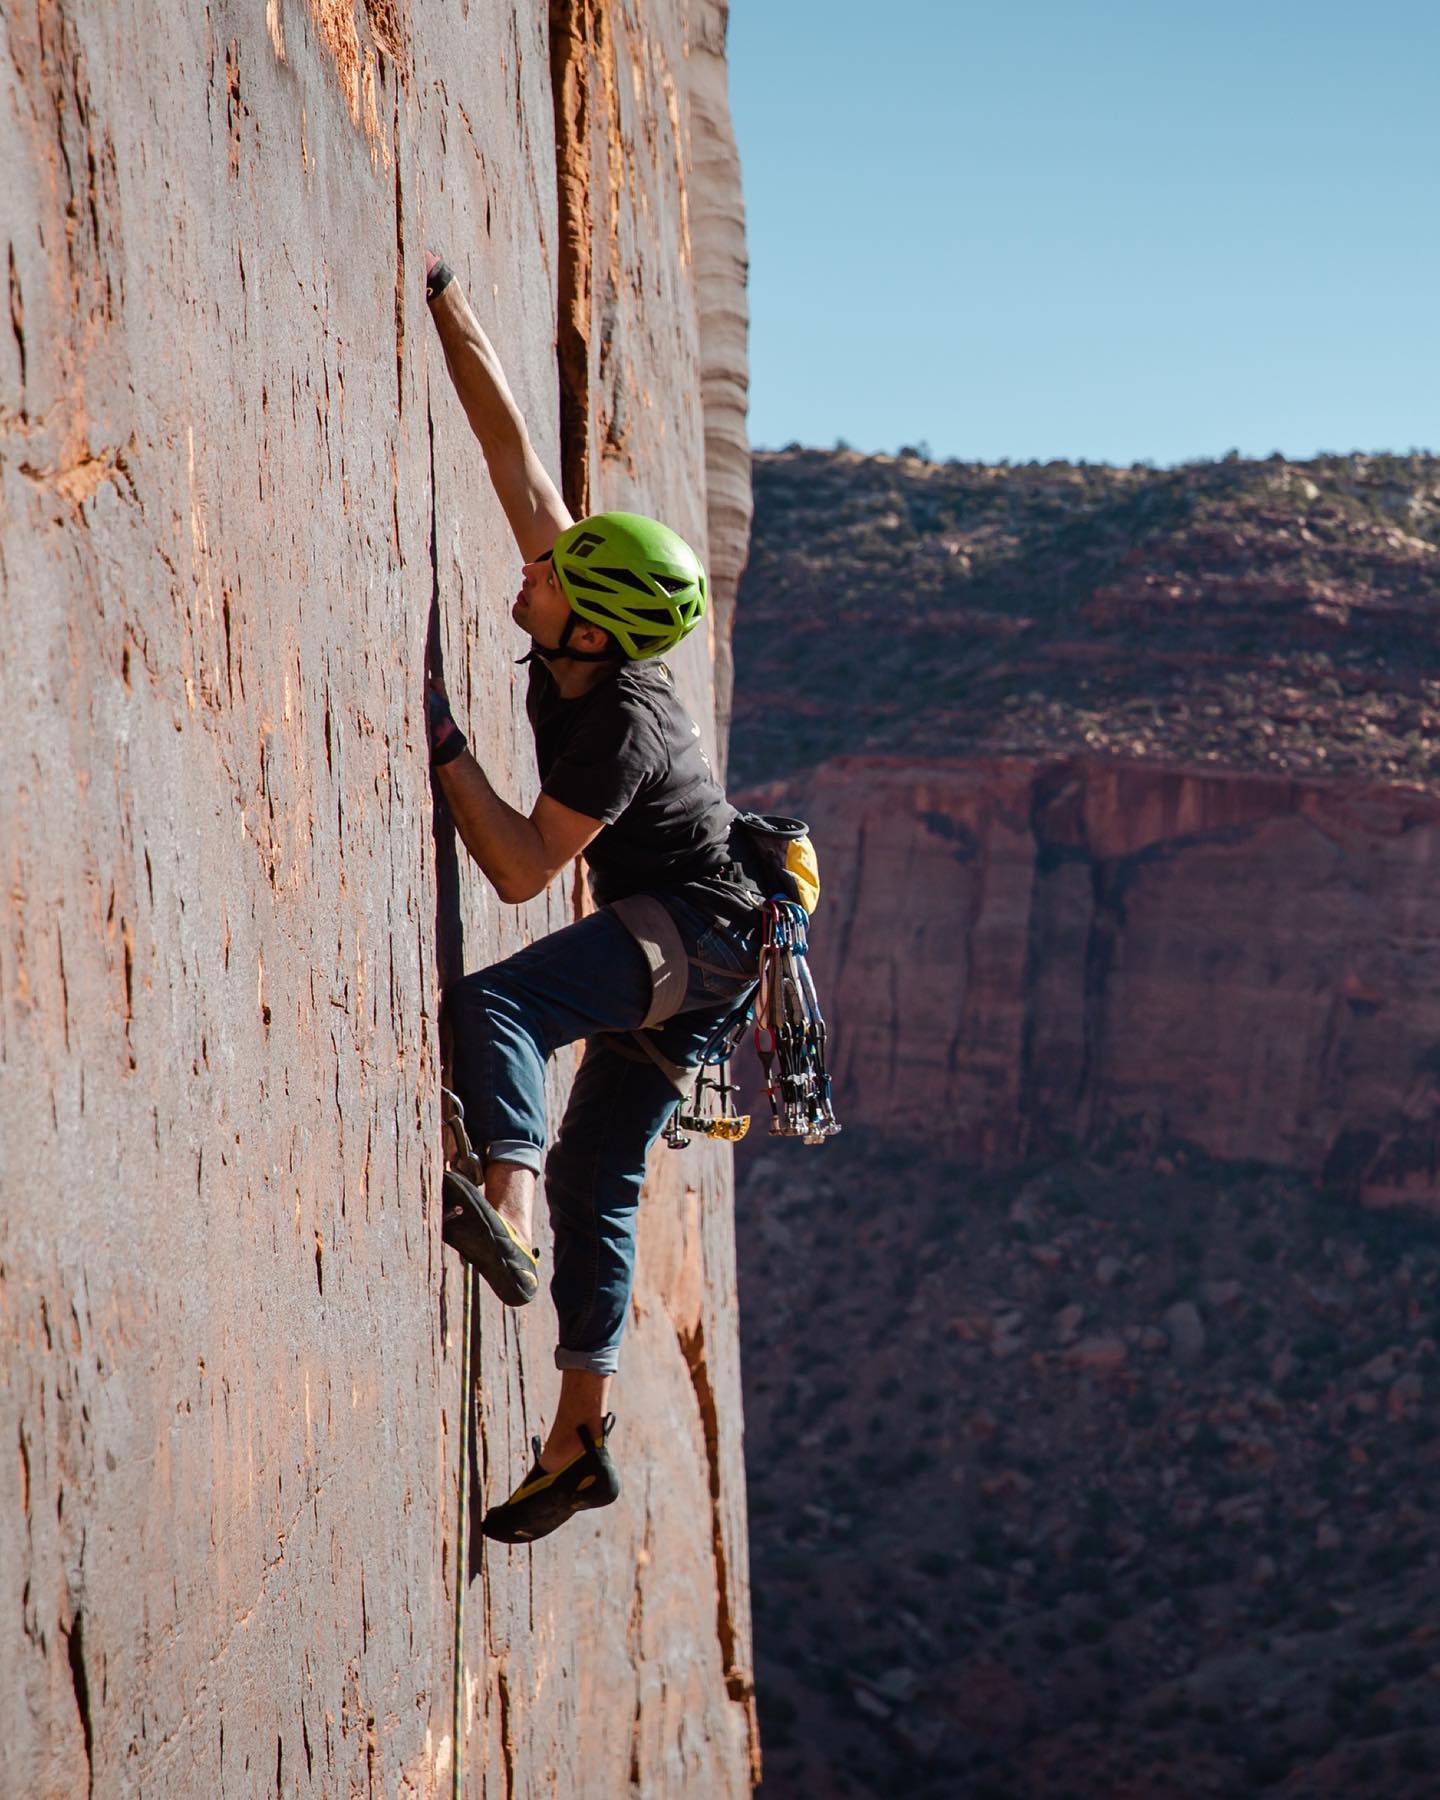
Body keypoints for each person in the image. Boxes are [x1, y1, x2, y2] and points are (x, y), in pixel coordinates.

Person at [422, 254, 762, 1545]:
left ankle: (496, 1202)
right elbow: (513, 448)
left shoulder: (620, 724)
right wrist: (454, 307)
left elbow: (516, 871)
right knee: (602, 1174)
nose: (532, 571)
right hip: (707, 946)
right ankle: (576, 1440)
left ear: (594, 629)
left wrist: (447, 746)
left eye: (552, 579)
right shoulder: (585, 609)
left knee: (499, 1006)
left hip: (701, 936)